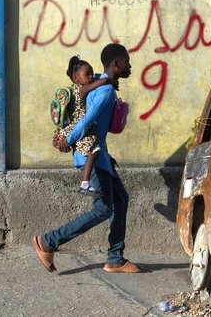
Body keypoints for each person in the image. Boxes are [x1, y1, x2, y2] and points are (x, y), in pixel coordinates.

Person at [33, 43, 140, 273]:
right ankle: (48, 241)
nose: (130, 66)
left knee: (120, 199)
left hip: (100, 156)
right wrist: (68, 139)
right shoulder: (105, 91)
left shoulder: (98, 82)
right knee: (103, 209)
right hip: (90, 155)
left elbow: (85, 93)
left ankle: (115, 258)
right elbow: (87, 121)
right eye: (127, 61)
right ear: (116, 64)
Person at [54, 55, 109, 197]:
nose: (91, 77)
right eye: (87, 74)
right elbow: (96, 84)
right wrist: (106, 79)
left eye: (92, 73)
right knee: (94, 148)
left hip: (69, 128)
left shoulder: (73, 89)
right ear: (76, 78)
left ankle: (85, 183)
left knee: (92, 148)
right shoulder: (81, 90)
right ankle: (84, 183)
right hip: (77, 126)